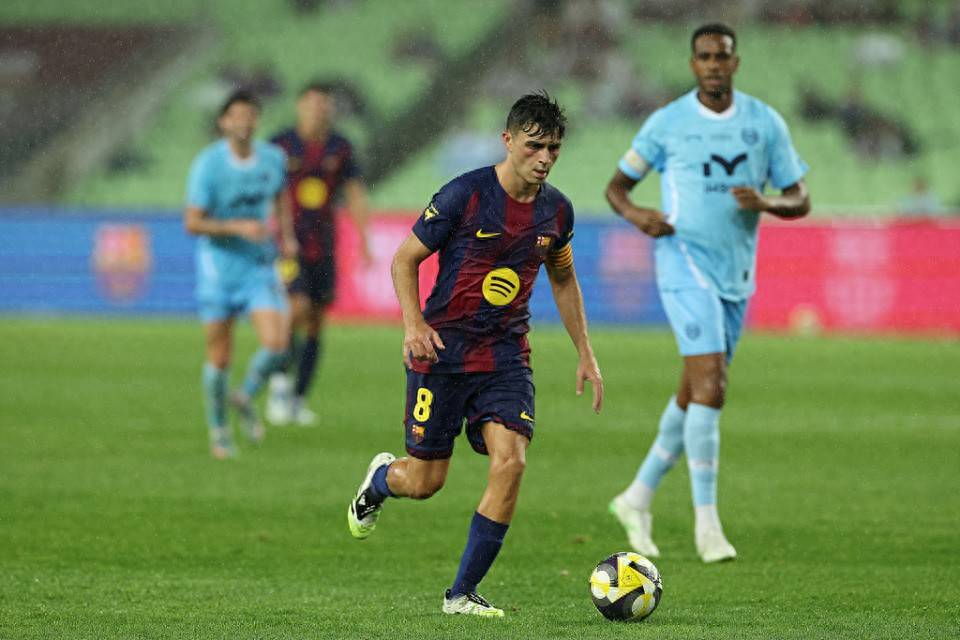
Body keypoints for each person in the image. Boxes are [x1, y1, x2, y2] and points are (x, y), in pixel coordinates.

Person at [346, 92, 603, 616]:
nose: (545, 158)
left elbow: (563, 277)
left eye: (554, 148)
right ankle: (379, 482)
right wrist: (413, 324)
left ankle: (461, 594)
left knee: (512, 462)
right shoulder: (464, 194)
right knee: (425, 483)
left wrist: (585, 351)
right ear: (507, 140)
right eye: (534, 146)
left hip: (506, 356)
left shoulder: (557, 211)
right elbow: (404, 259)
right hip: (442, 353)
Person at [604, 24, 811, 563]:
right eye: (704, 56)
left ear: (735, 63)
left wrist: (767, 203)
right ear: (693, 64)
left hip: (736, 274)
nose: (714, 64)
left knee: (695, 390)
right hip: (683, 261)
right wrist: (637, 215)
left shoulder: (764, 123)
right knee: (713, 387)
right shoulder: (668, 123)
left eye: (722, 56)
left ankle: (636, 497)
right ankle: (707, 525)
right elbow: (617, 188)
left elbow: (800, 197)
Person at [184, 90, 298, 459]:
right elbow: (192, 222)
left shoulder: (273, 158)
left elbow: (281, 197)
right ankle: (219, 431)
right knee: (219, 356)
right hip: (218, 271)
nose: (244, 122)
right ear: (224, 122)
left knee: (277, 344)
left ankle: (245, 395)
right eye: (236, 115)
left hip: (258, 267)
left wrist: (287, 236)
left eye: (250, 114)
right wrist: (237, 227)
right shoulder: (208, 164)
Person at [266, 82, 372, 427]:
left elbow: (355, 192)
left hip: (323, 244)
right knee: (295, 308)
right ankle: (279, 384)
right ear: (300, 106)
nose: (318, 110)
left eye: (324, 105)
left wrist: (364, 239)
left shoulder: (340, 147)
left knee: (315, 320)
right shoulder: (280, 144)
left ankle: (299, 398)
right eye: (312, 104)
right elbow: (264, 187)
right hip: (289, 243)